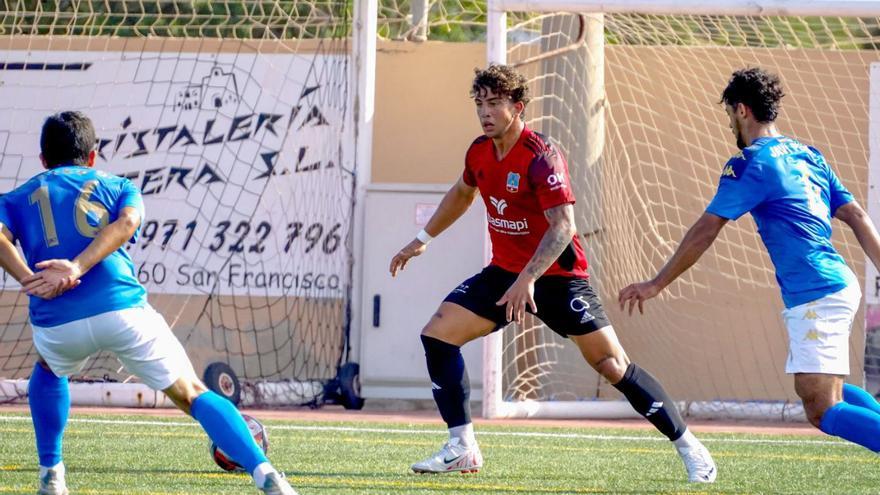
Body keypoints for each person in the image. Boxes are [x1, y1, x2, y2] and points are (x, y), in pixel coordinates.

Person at [389, 64, 716, 482]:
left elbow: (563, 227)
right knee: (437, 334)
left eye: (494, 104)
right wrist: (422, 238)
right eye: (479, 104)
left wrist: (528, 279)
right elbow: (462, 192)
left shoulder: (542, 155)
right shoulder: (479, 151)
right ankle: (461, 447)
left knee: (612, 365)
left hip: (559, 279)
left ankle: (690, 447)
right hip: (504, 274)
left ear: (517, 106)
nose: (485, 113)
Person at [0, 111, 298, 495]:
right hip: (122, 310)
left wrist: (29, 278)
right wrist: (77, 266)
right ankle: (267, 474)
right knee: (191, 392)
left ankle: (51, 474)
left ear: (42, 160)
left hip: (58, 320)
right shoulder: (118, 184)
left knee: (49, 369)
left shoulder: (17, 196)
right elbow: (126, 224)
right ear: (92, 156)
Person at [619, 67, 880, 452]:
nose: (730, 124)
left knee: (821, 407)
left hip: (817, 290)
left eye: (729, 115)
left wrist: (656, 283)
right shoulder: (808, 154)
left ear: (741, 110)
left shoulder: (749, 162)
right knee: (825, 390)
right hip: (834, 283)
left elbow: (705, 230)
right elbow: (856, 215)